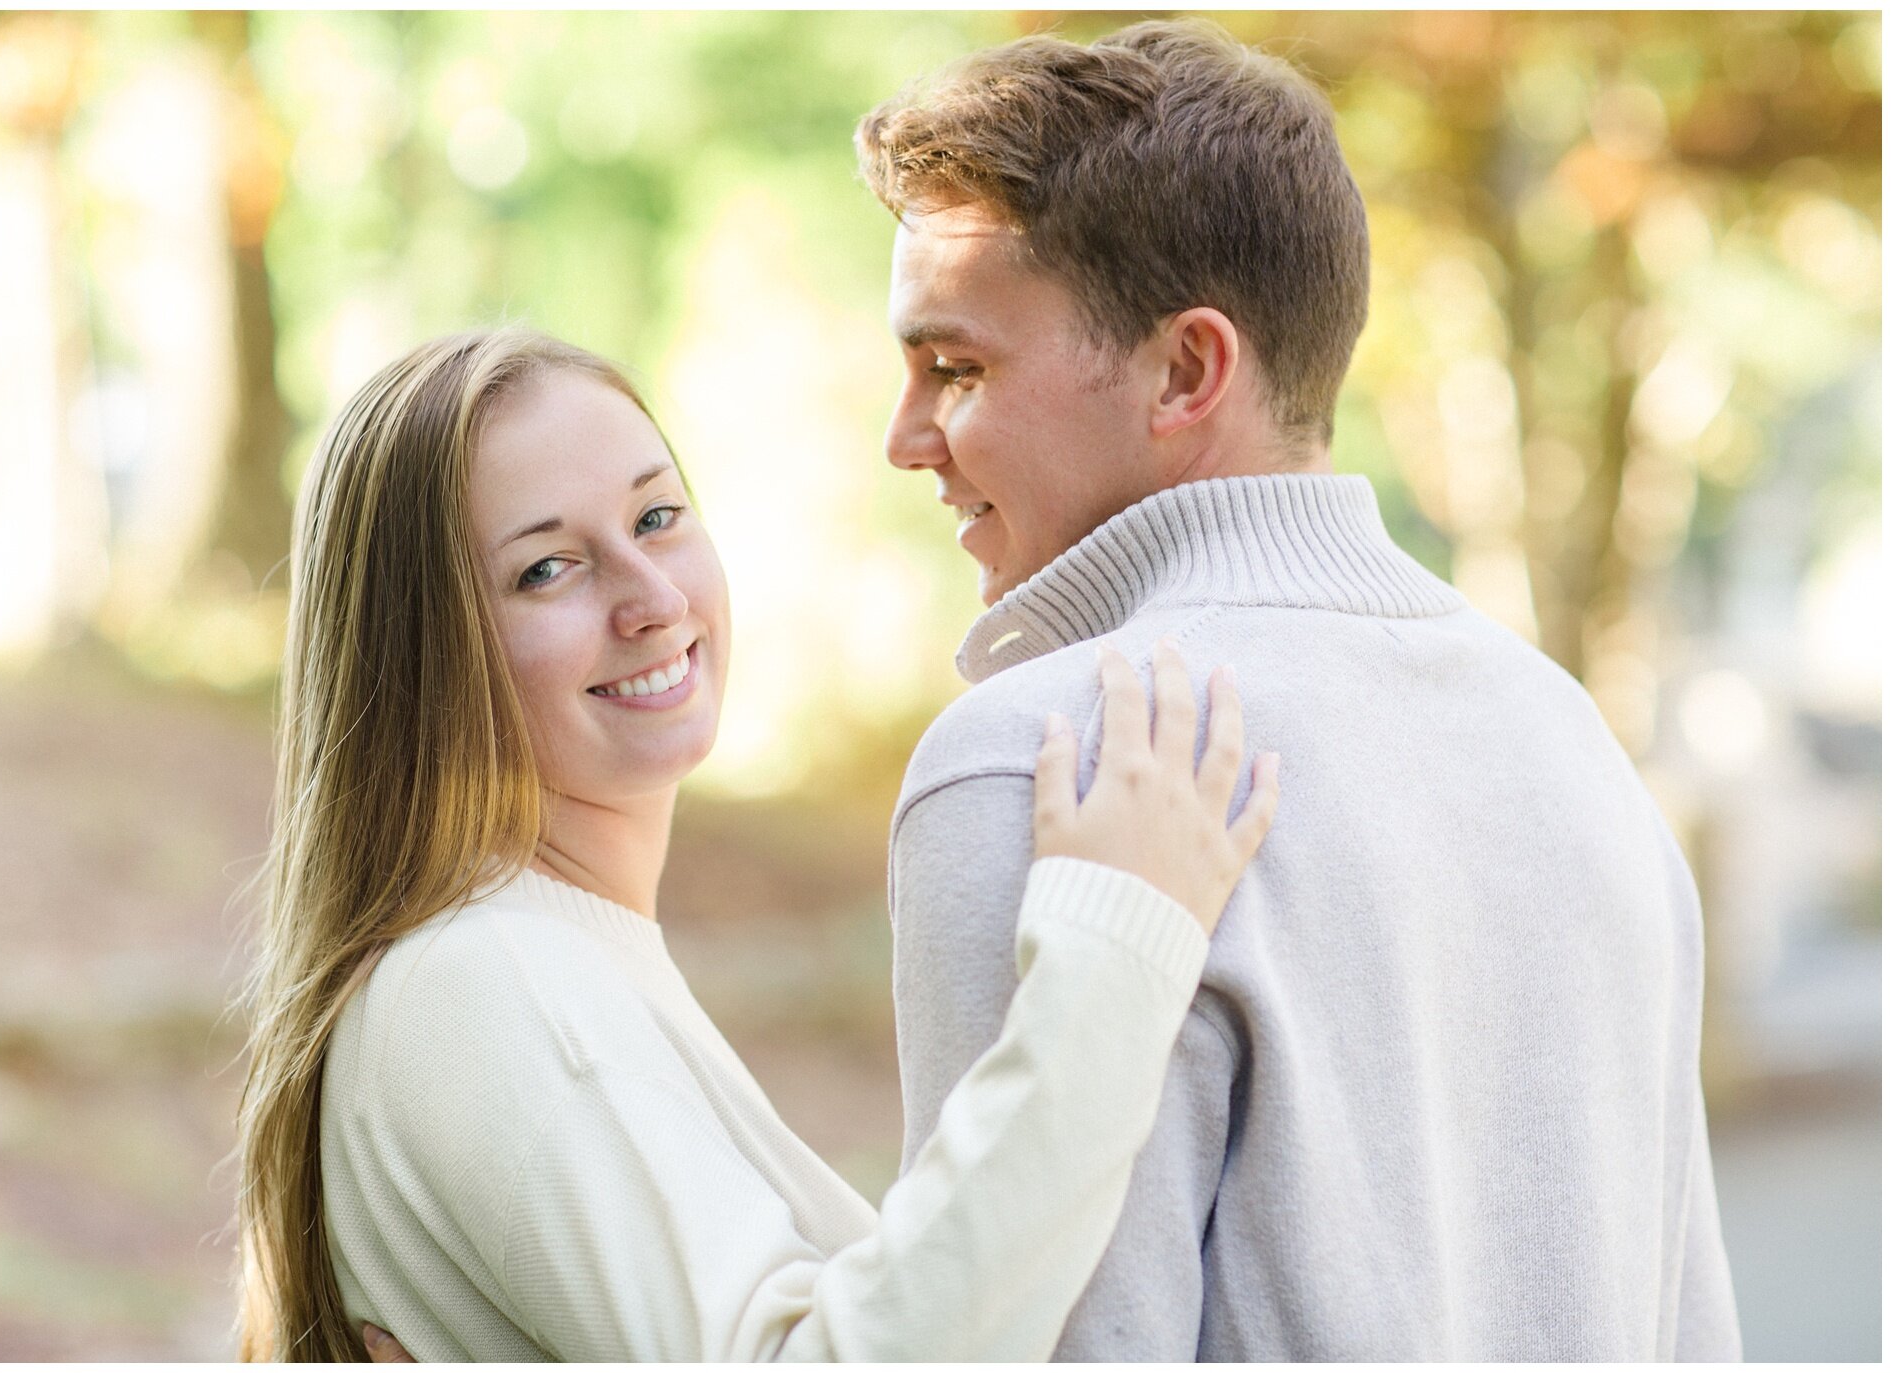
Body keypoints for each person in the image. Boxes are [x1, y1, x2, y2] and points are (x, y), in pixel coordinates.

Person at [852, 18, 1741, 1360]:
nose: (904, 438)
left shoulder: (1039, 757)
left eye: (956, 368)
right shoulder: (1569, 741)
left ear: (1186, 370)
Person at [232, 327, 1281, 1360]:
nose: (652, 597)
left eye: (657, 515)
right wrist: (1111, 951)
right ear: (424, 655)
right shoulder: (482, 977)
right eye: (549, 568)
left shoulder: (556, 955)